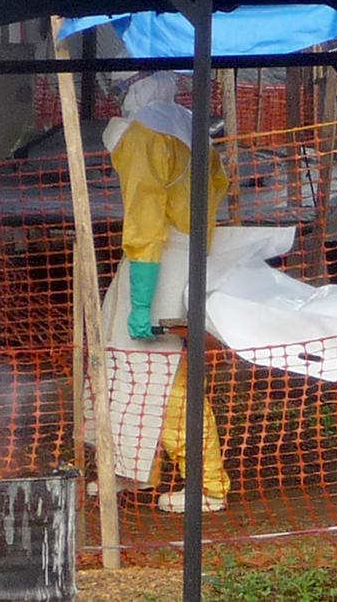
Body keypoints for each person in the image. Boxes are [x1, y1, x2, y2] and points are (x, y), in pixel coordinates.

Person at [89, 71, 232, 513]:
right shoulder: (191, 126)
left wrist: (141, 299)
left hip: (156, 261)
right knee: (128, 371)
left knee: (157, 376)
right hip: (188, 256)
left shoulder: (144, 135)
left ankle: (207, 486)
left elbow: (145, 219)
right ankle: (134, 468)